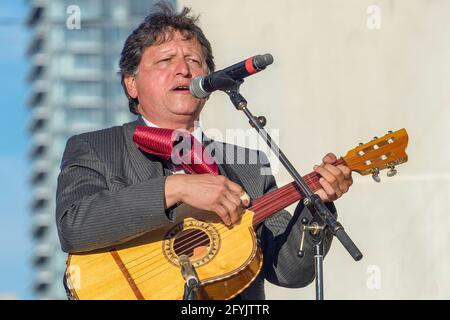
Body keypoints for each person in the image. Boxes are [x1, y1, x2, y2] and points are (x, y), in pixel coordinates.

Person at [56, 2, 353, 300]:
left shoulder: (248, 164)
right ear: (131, 84)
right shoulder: (96, 148)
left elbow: (289, 272)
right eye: (165, 60)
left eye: (194, 62)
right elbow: (74, 226)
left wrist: (317, 205)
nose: (183, 70)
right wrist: (174, 188)